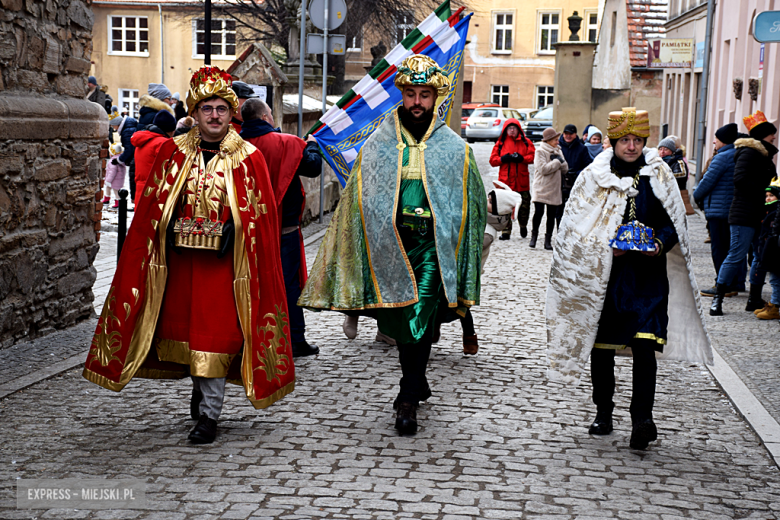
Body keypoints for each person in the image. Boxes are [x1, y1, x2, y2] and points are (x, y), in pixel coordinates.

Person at [83, 66, 294, 445]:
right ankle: (202, 388)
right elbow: (153, 208)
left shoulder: (249, 159)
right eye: (206, 108)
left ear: (233, 114)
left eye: (222, 109)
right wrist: (170, 225)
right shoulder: (172, 153)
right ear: (194, 114)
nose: (214, 115)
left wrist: (237, 229)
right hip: (178, 265)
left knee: (216, 334)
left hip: (227, 270)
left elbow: (260, 218)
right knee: (186, 333)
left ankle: (209, 417)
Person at [298, 55, 486, 435]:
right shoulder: (377, 145)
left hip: (432, 247)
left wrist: (452, 235)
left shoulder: (455, 149)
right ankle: (416, 379)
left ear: (436, 98)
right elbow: (358, 199)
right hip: (391, 244)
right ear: (401, 94)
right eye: (411, 94)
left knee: (418, 318)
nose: (417, 102)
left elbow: (473, 205)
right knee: (404, 321)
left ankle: (406, 398)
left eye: (425, 95)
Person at [546, 107, 711, 451]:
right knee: (602, 350)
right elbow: (577, 228)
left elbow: (673, 222)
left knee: (645, 347)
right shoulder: (594, 176)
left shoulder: (659, 175)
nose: (632, 147)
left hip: (648, 277)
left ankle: (642, 419)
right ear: (615, 142)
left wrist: (660, 243)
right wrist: (606, 248)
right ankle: (603, 412)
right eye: (626, 140)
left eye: (637, 140)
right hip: (605, 277)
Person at [240, 97, 322, 358]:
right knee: (288, 286)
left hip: (245, 231)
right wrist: (312, 147)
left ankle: (245, 340)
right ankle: (294, 339)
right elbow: (312, 168)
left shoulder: (233, 145)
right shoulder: (286, 143)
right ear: (266, 118)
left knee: (249, 284)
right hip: (282, 229)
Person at [710, 111, 778, 316]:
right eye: (771, 134)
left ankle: (754, 299)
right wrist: (765, 191)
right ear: (762, 135)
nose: (774, 137)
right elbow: (740, 180)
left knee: (759, 257)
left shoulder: (764, 155)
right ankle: (717, 298)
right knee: (736, 255)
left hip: (761, 214)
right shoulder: (749, 152)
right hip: (744, 214)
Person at [693, 123, 738, 297]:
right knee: (730, 248)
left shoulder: (722, 157)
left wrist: (696, 195)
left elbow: (706, 183)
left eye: (716, 139)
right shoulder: (736, 154)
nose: (714, 142)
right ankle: (732, 283)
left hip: (719, 211)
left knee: (719, 249)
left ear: (723, 141)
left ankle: (723, 285)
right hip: (729, 210)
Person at [489, 118, 535, 240]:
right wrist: (502, 159)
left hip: (521, 181)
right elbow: (492, 161)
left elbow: (533, 157)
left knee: (524, 206)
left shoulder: (526, 142)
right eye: (510, 128)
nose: (512, 130)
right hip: (506, 182)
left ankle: (523, 225)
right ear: (506, 130)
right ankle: (506, 231)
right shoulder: (500, 143)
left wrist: (522, 158)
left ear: (518, 129)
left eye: (514, 128)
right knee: (505, 207)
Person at [130, 110, 176, 207]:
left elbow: (133, 168)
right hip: (156, 194)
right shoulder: (163, 143)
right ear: (171, 130)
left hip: (141, 191)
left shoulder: (143, 140)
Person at [532, 127, 568, 250]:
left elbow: (565, 169)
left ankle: (548, 241)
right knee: (538, 213)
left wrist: (559, 161)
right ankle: (534, 236)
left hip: (554, 188)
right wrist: (557, 162)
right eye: (555, 140)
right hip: (541, 187)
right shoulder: (540, 151)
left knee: (551, 216)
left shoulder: (558, 151)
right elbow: (543, 169)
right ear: (548, 140)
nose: (558, 142)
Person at [753, 179, 780, 319]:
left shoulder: (775, 212)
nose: (768, 198)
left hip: (774, 252)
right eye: (767, 196)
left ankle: (774, 307)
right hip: (769, 251)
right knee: (774, 280)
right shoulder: (769, 211)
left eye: (771, 196)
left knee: (775, 280)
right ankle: (773, 304)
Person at [557, 124, 593, 226]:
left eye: (570, 134)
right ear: (563, 134)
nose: (568, 136)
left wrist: (577, 172)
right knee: (558, 211)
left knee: (574, 210)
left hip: (575, 183)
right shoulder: (557, 147)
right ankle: (559, 231)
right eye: (566, 134)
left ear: (575, 135)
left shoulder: (582, 148)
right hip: (559, 182)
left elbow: (588, 166)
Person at [107, 108, 137, 207]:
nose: (113, 128)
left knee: (134, 177)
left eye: (113, 126)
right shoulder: (129, 127)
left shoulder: (127, 131)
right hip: (135, 156)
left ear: (117, 124)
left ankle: (134, 202)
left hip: (135, 158)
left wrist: (119, 160)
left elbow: (129, 150)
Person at [658, 135, 694, 214]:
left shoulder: (678, 162)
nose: (662, 152)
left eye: (666, 149)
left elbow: (681, 175)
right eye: (660, 149)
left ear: (672, 151)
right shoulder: (659, 161)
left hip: (675, 198)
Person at [102, 142, 126, 209]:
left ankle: (117, 202)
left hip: (113, 180)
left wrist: (108, 180)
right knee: (109, 188)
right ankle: (107, 198)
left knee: (116, 191)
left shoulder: (113, 161)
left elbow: (112, 172)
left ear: (112, 153)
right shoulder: (120, 160)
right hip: (119, 180)